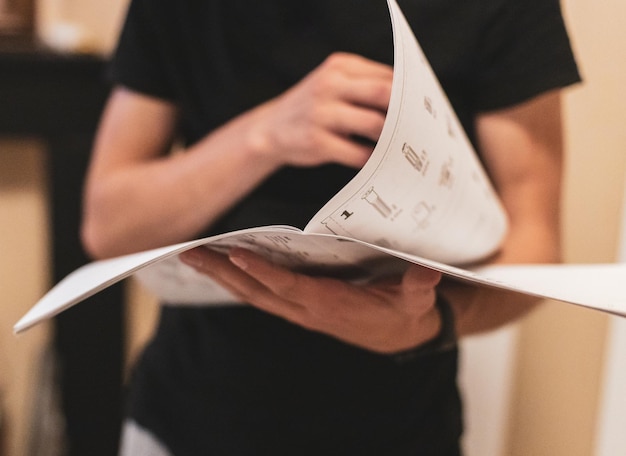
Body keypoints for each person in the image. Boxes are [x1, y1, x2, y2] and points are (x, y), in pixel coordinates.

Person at [80, 0, 580, 454]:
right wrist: (264, 135)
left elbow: (533, 241)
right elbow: (107, 226)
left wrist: (430, 325)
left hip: (403, 428)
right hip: (187, 419)